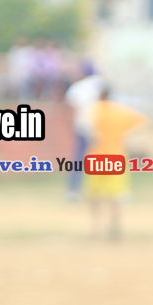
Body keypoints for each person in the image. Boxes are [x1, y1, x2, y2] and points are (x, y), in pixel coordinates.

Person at [83, 85, 146, 240]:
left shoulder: (96, 109)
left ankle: (95, 227)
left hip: (97, 156)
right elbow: (142, 122)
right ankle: (115, 227)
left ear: (99, 95)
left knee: (94, 194)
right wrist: (126, 134)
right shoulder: (120, 111)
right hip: (116, 156)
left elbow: (89, 130)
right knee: (116, 194)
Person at [63, 60, 105, 201]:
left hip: (82, 126)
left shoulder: (77, 87)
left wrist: (71, 125)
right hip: (100, 127)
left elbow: (70, 109)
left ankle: (73, 191)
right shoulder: (100, 83)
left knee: (79, 159)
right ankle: (104, 189)